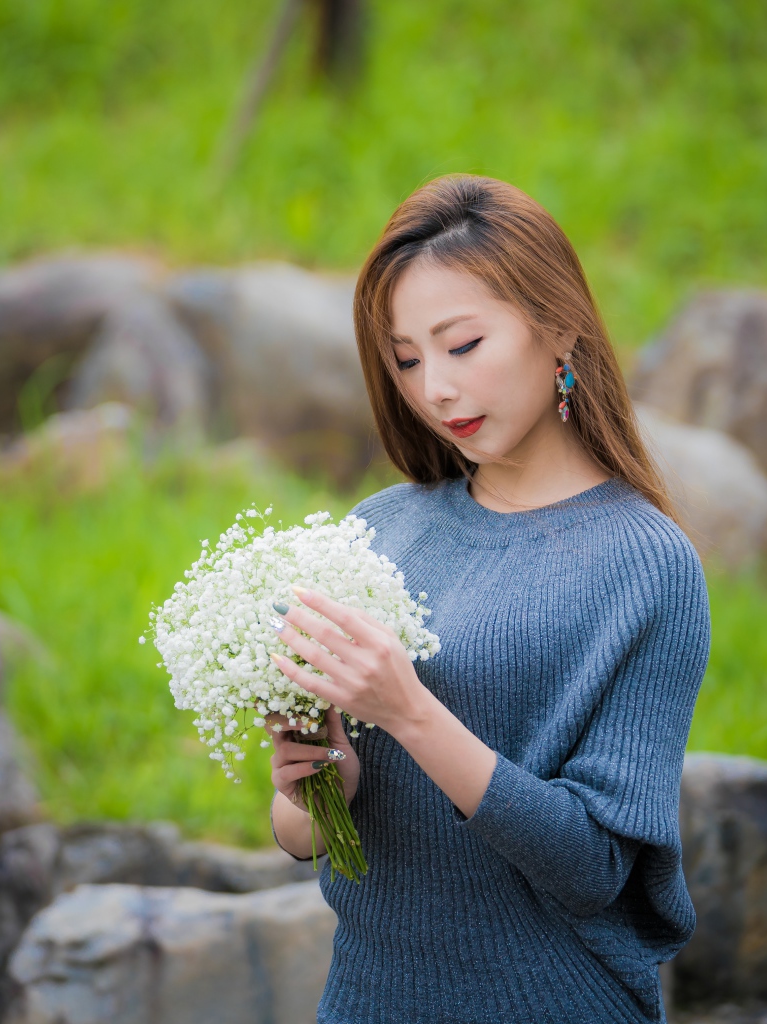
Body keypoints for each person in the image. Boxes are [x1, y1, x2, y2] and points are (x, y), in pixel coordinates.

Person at [264, 174, 710, 1023]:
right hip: (368, 999)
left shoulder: (648, 566)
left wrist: (409, 712)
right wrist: (313, 787)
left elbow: (593, 867)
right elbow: (302, 841)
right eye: (405, 359)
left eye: (462, 345)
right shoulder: (377, 531)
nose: (434, 388)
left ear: (560, 326)